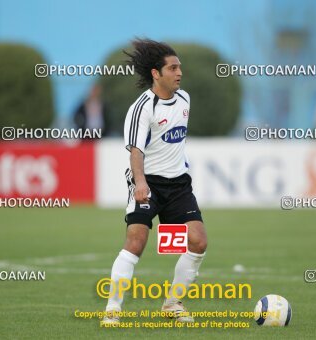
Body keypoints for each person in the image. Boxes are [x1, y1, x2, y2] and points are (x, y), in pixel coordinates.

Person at [102, 39, 207, 324]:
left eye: (179, 68)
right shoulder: (142, 108)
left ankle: (173, 303)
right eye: (172, 68)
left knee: (197, 241)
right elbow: (136, 150)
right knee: (136, 241)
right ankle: (113, 308)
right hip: (148, 183)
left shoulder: (184, 99)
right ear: (155, 73)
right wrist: (139, 183)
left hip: (179, 185)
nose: (179, 73)